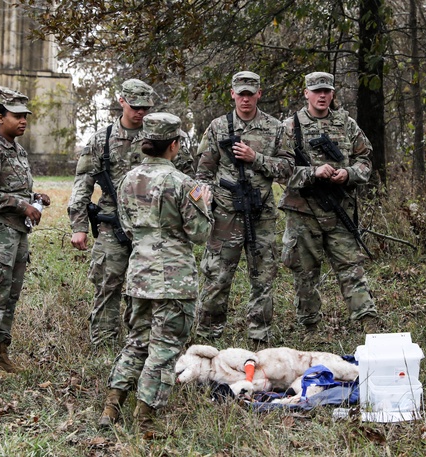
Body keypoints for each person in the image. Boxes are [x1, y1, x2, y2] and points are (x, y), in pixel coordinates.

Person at [99, 113, 212, 434]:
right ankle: (146, 418)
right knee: (164, 348)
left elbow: (126, 225)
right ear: (174, 145)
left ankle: (112, 405)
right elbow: (200, 233)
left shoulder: (128, 181)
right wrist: (206, 202)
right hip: (173, 279)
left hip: (139, 273)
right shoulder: (183, 184)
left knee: (136, 341)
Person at [194, 71, 294, 344]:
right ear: (233, 93)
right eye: (241, 93)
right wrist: (206, 197)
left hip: (261, 214)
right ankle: (207, 338)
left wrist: (256, 157)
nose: (246, 99)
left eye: (251, 94)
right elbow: (203, 172)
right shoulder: (218, 127)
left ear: (259, 94)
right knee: (217, 277)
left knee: (263, 277)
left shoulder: (275, 128)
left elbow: (287, 169)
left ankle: (259, 338)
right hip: (225, 215)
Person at [279, 71, 380, 333]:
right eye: (316, 91)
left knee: (351, 267)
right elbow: (278, 170)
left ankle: (367, 322)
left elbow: (365, 160)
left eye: (326, 91)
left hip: (339, 208)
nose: (321, 95)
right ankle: (310, 327)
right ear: (306, 94)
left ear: (333, 93)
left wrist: (349, 174)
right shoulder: (290, 127)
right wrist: (312, 173)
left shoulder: (347, 124)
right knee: (305, 272)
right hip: (303, 211)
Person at [0, 86, 51, 379]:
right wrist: (23, 205)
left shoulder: (17, 151)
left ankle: (0, 353)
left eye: (25, 115)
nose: (24, 120)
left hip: (15, 234)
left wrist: (34, 195)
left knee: (9, 296)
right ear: (0, 118)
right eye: (17, 115)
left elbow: (13, 187)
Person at [67, 79, 157, 348]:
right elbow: (82, 184)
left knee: (145, 288)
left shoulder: (158, 137)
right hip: (111, 225)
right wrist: (78, 226)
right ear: (121, 102)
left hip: (150, 226)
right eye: (134, 106)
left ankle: (140, 345)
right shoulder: (101, 140)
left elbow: (183, 178)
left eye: (145, 107)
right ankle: (104, 346)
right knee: (108, 285)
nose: (140, 112)